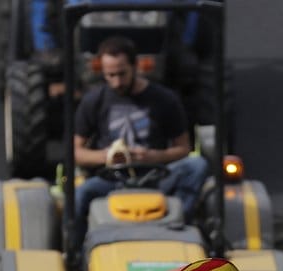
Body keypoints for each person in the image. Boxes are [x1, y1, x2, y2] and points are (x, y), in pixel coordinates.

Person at [72, 35, 208, 241]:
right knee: (80, 194)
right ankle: (78, 248)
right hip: (112, 179)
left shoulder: (164, 100)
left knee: (197, 165)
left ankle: (179, 223)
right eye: (110, 75)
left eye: (121, 74)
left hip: (156, 176)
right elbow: (77, 152)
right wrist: (107, 157)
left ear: (135, 66)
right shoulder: (94, 101)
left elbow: (183, 148)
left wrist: (152, 156)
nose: (116, 82)